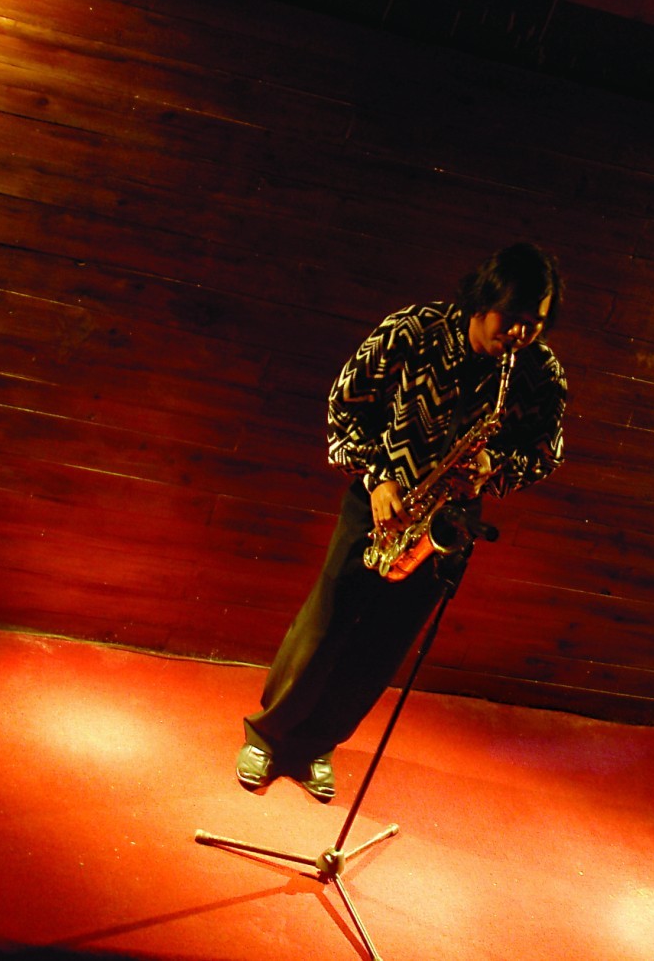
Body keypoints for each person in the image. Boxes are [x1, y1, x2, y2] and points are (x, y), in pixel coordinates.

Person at [238, 242, 568, 802]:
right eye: (512, 317)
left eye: (533, 323)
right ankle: (268, 736)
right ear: (484, 299)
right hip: (380, 501)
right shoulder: (414, 331)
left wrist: (495, 467)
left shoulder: (539, 372)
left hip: (448, 520)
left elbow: (547, 453)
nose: (520, 333)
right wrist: (378, 477)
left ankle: (318, 745)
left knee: (382, 648)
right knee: (325, 626)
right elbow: (344, 407)